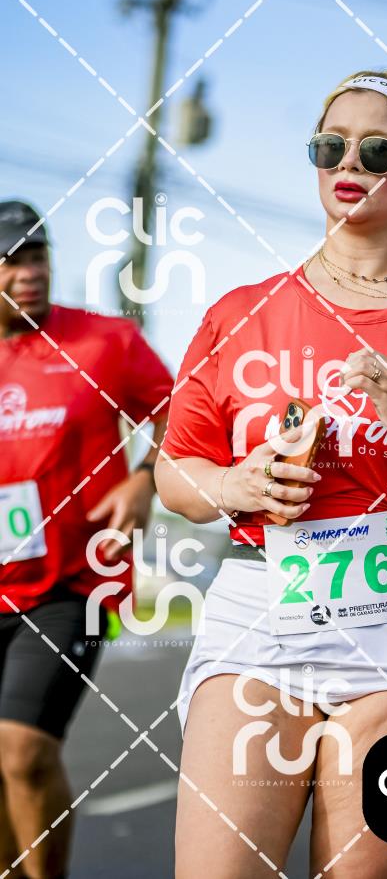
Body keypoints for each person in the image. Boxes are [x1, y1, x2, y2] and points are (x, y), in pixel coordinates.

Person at [155, 70, 387, 879]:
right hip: (261, 609)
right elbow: (175, 474)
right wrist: (235, 485)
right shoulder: (238, 314)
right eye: (330, 146)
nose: (349, 162)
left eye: (377, 149)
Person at [0, 201, 173, 879]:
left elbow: (180, 411)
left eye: (37, 256)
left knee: (22, 752)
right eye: (11, 261)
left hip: (73, 583)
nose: (29, 273)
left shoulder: (105, 341)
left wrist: (145, 479)